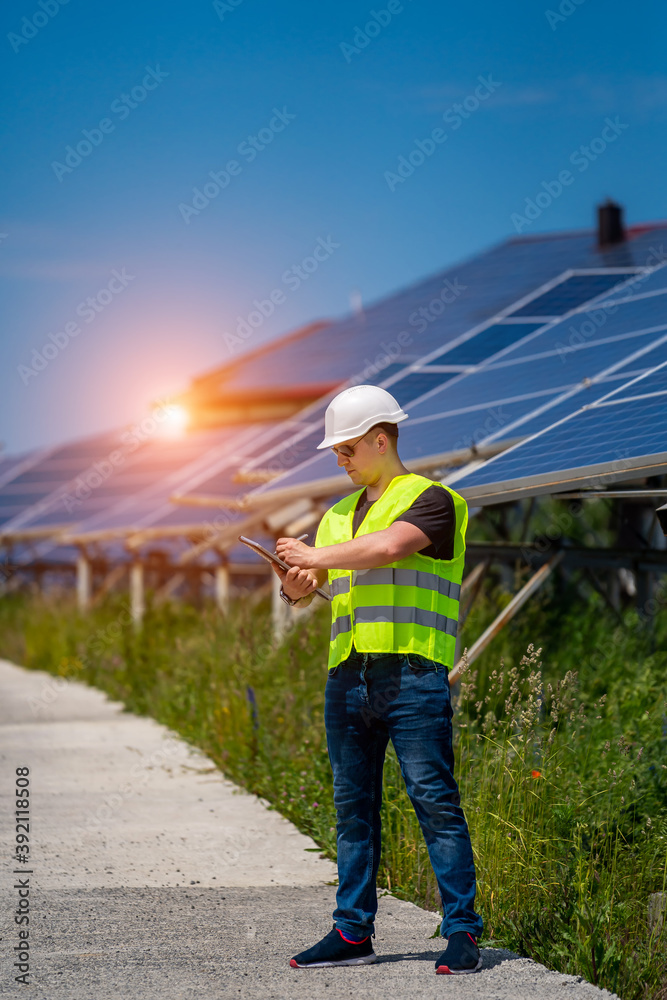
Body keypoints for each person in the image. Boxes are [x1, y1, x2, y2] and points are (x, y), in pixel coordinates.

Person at [272, 385, 483, 975]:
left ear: (380, 439)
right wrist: (296, 585)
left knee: (434, 801)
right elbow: (323, 589)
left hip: (413, 675)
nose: (340, 460)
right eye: (337, 451)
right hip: (348, 676)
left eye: (346, 449)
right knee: (352, 807)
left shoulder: (436, 500)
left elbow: (390, 548)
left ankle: (463, 931)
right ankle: (352, 930)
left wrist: (314, 558)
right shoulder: (337, 516)